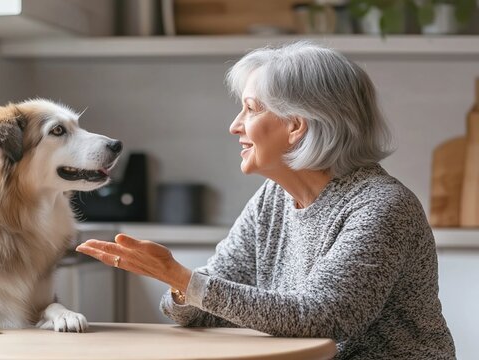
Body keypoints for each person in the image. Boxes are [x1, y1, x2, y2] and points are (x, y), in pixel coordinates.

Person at [76, 41, 455, 359]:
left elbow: (323, 317)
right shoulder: (273, 198)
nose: (235, 125)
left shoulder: (381, 205)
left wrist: (183, 279)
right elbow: (211, 305)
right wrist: (180, 285)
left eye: (251, 108)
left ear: (296, 125)